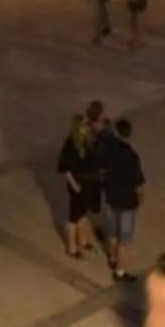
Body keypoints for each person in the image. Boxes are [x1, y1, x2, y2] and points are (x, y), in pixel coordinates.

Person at [97, 117, 147, 283]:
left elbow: (101, 169)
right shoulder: (131, 156)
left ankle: (112, 258)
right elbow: (138, 183)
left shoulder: (108, 150)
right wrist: (140, 199)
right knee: (124, 239)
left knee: (112, 232)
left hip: (112, 197)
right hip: (127, 202)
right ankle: (120, 270)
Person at [55, 110, 103, 259]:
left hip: (87, 182)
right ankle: (72, 247)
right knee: (74, 216)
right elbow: (65, 168)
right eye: (83, 126)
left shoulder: (86, 140)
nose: (86, 128)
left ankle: (82, 240)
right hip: (77, 183)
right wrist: (74, 184)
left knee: (83, 213)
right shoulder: (71, 144)